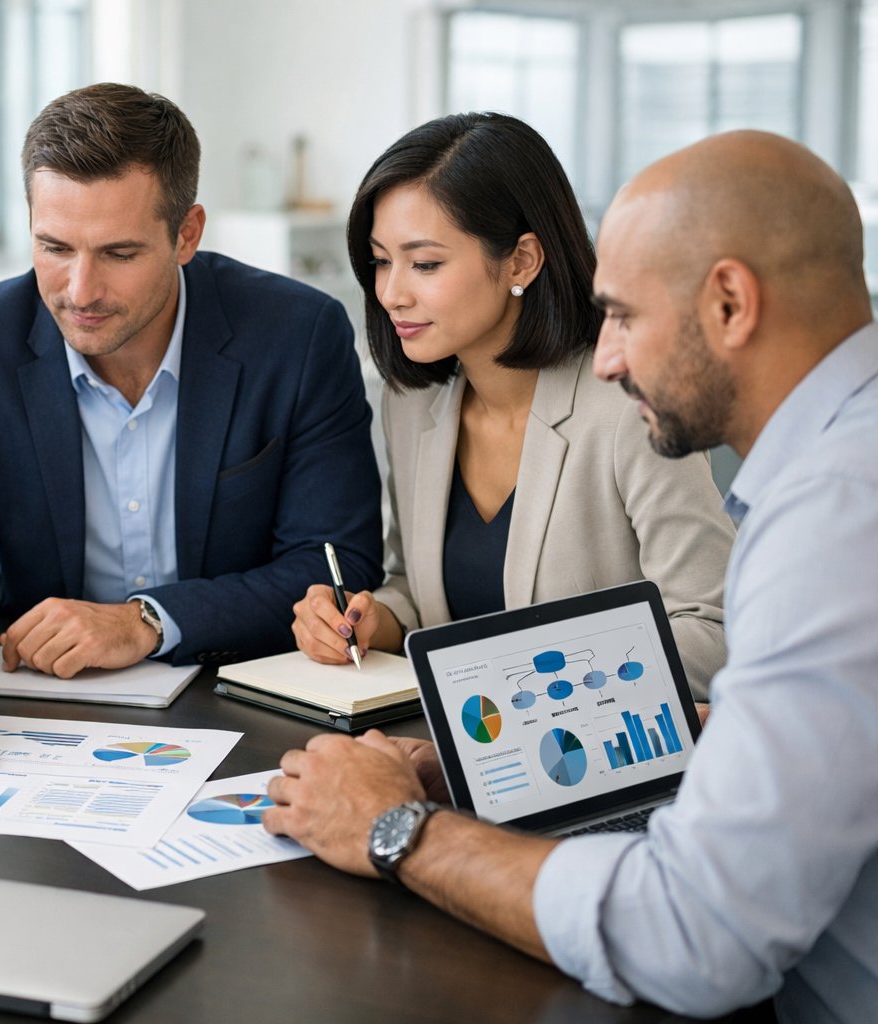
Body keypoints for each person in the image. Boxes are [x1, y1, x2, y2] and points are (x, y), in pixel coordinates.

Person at [264, 130, 878, 1021]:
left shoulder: (833, 517)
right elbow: (794, 727)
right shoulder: (830, 476)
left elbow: (696, 937)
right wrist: (488, 756)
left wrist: (396, 830)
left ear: (732, 302)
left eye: (624, 315)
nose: (611, 356)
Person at [0, 83, 383, 737]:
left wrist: (146, 620)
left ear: (187, 234)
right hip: (41, 708)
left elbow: (333, 564)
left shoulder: (297, 336)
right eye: (55, 248)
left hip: (251, 706)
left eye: (119, 253)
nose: (80, 291)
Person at [289, 112, 733, 698]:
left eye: (425, 264)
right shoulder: (412, 402)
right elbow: (418, 594)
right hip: (456, 749)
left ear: (522, 260)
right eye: (380, 260)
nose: (392, 292)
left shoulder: (630, 407)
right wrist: (372, 621)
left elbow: (713, 633)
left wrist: (518, 687)